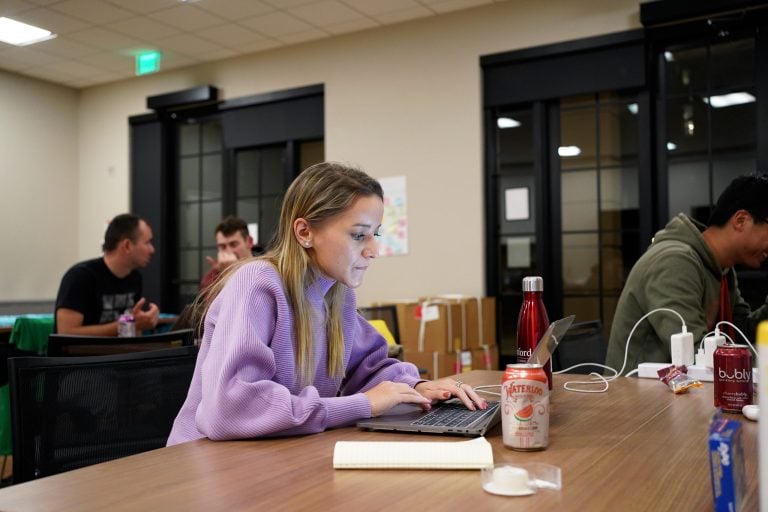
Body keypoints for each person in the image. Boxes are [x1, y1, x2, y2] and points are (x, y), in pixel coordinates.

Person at [167, 162, 487, 445]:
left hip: (275, 454)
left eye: (375, 234)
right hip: (206, 465)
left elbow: (367, 368)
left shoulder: (336, 293)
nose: (374, 250)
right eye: (359, 236)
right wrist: (363, 404)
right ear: (305, 232)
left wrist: (415, 385)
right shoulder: (257, 283)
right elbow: (230, 408)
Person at [605, 174, 768, 375]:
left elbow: (739, 332)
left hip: (682, 392)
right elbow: (695, 354)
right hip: (638, 399)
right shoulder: (674, 262)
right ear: (741, 220)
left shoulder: (722, 268)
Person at [54, 213, 160, 335]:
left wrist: (142, 323)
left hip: (120, 353)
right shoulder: (80, 277)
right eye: (147, 243)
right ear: (127, 246)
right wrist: (129, 323)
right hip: (83, 354)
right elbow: (66, 333)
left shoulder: (134, 278)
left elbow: (133, 333)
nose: (152, 250)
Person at [200, 216, 255, 290]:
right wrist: (222, 275)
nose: (228, 251)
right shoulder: (213, 276)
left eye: (234, 244)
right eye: (222, 246)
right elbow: (209, 299)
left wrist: (233, 272)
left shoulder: (265, 268)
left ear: (249, 242)